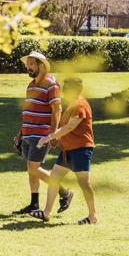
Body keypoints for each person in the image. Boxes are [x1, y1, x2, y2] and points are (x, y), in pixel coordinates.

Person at [12, 51, 74, 215]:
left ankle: (65, 193)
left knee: (34, 168)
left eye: (32, 64)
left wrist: (53, 134)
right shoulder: (31, 85)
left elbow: (57, 109)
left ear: (41, 65)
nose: (29, 67)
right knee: (30, 168)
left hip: (42, 134)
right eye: (28, 65)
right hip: (28, 133)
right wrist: (20, 134)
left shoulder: (51, 83)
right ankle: (34, 204)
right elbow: (28, 111)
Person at [32, 77, 98, 225]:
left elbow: (69, 127)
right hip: (68, 150)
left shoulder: (81, 105)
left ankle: (93, 217)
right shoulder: (72, 104)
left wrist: (48, 137)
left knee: (84, 183)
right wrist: (57, 138)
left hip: (80, 149)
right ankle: (46, 212)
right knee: (54, 178)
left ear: (73, 90)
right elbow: (66, 129)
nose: (62, 92)